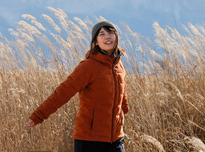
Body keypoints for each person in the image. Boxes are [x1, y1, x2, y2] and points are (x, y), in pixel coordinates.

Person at [26, 21, 129, 152]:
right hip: (89, 140)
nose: (107, 37)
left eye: (111, 33)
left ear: (116, 37)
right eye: (102, 34)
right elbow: (63, 92)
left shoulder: (118, 64)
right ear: (96, 42)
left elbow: (121, 95)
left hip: (116, 140)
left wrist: (122, 113)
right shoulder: (88, 67)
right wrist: (38, 116)